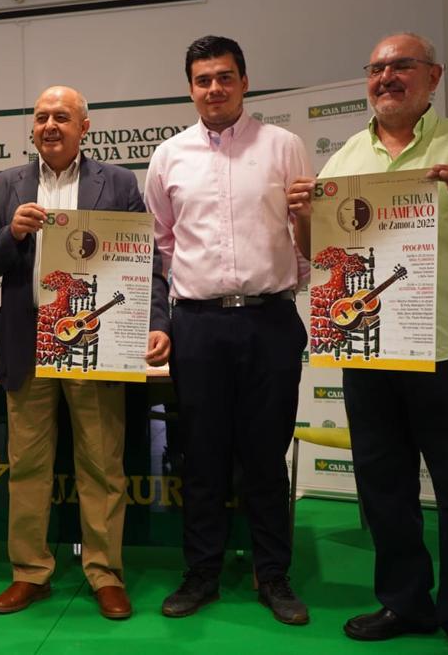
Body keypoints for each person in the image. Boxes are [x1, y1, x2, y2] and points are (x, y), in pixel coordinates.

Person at [287, 32, 448, 655]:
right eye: (377, 68)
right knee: (384, 487)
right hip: (369, 349)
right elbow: (319, 257)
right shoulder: (343, 159)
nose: (387, 77)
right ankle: (404, 602)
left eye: (402, 66)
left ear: (433, 76)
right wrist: (301, 216)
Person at [0, 85, 171, 621]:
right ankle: (29, 574)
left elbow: (145, 260)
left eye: (62, 116)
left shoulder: (119, 182)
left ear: (85, 127)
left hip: (94, 343)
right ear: (31, 129)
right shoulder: (5, 185)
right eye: (41, 117)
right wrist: (11, 234)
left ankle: (105, 574)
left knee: (102, 464)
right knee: (27, 465)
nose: (50, 125)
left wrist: (155, 320)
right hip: (27, 339)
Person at [145, 36, 312, 625]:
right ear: (190, 87)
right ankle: (202, 574)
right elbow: (163, 244)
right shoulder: (168, 156)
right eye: (202, 79)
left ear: (244, 81)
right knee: (204, 458)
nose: (213, 88)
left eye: (224, 77)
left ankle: (274, 577)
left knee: (266, 457)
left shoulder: (284, 146)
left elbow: (305, 230)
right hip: (199, 325)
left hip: (270, 319)